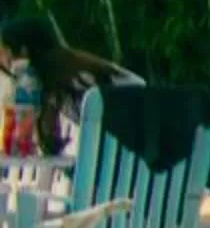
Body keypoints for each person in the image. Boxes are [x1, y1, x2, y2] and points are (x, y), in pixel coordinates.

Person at [0, 12, 135, 158]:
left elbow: (26, 142)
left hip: (115, 162)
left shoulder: (55, 84)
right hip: (136, 159)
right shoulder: (80, 68)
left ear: (23, 52)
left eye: (4, 52)